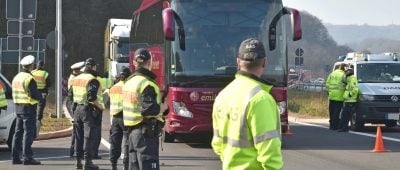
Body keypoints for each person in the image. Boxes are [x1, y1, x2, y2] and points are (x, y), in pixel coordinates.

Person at [211, 38, 283, 170]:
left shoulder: (222, 96)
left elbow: (217, 144)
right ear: (265, 62)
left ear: (238, 62)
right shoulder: (260, 99)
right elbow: (269, 150)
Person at [122, 48, 168, 170]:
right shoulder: (146, 84)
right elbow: (148, 108)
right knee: (148, 165)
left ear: (134, 62)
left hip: (131, 133)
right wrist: (163, 108)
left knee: (134, 166)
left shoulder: (128, 82)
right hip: (145, 134)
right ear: (150, 62)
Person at [70, 58, 104, 170]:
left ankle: (78, 162)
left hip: (77, 109)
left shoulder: (77, 78)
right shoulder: (91, 79)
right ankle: (88, 162)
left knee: (78, 137)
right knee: (89, 137)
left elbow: (70, 95)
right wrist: (99, 106)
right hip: (88, 110)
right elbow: (91, 97)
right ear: (93, 67)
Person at [11, 55, 43, 165]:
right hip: (28, 108)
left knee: (18, 133)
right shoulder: (29, 78)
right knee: (28, 133)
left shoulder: (17, 77)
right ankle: (27, 157)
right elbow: (34, 94)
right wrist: (41, 96)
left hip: (18, 107)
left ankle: (15, 158)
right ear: (31, 65)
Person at [109, 67, 131, 170]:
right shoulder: (128, 87)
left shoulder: (113, 87)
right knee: (127, 142)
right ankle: (126, 166)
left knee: (115, 142)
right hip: (126, 117)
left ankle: (114, 165)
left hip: (115, 118)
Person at [67, 61, 85, 157]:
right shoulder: (75, 79)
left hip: (73, 103)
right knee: (77, 129)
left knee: (77, 128)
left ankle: (74, 150)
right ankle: (75, 150)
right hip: (74, 104)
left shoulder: (73, 77)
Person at [31, 60, 51, 135]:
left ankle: (33, 120)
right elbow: (49, 84)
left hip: (33, 92)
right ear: (43, 66)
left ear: (37, 65)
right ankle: (38, 121)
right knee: (40, 107)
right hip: (42, 93)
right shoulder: (45, 73)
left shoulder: (32, 72)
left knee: (33, 106)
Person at [325, 63, 346, 130]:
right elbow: (346, 84)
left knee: (331, 111)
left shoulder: (332, 74)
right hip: (339, 96)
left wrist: (329, 92)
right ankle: (335, 125)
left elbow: (327, 84)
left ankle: (331, 125)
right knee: (337, 112)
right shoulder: (343, 75)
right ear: (344, 69)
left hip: (331, 95)